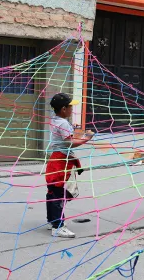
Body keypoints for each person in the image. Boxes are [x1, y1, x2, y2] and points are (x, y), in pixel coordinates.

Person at [46, 93, 94, 238]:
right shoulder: (63, 123)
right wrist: (87, 138)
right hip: (60, 161)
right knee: (59, 193)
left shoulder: (55, 120)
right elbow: (69, 143)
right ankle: (57, 226)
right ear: (63, 109)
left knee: (54, 192)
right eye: (70, 106)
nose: (72, 109)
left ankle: (53, 220)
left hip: (57, 159)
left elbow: (66, 137)